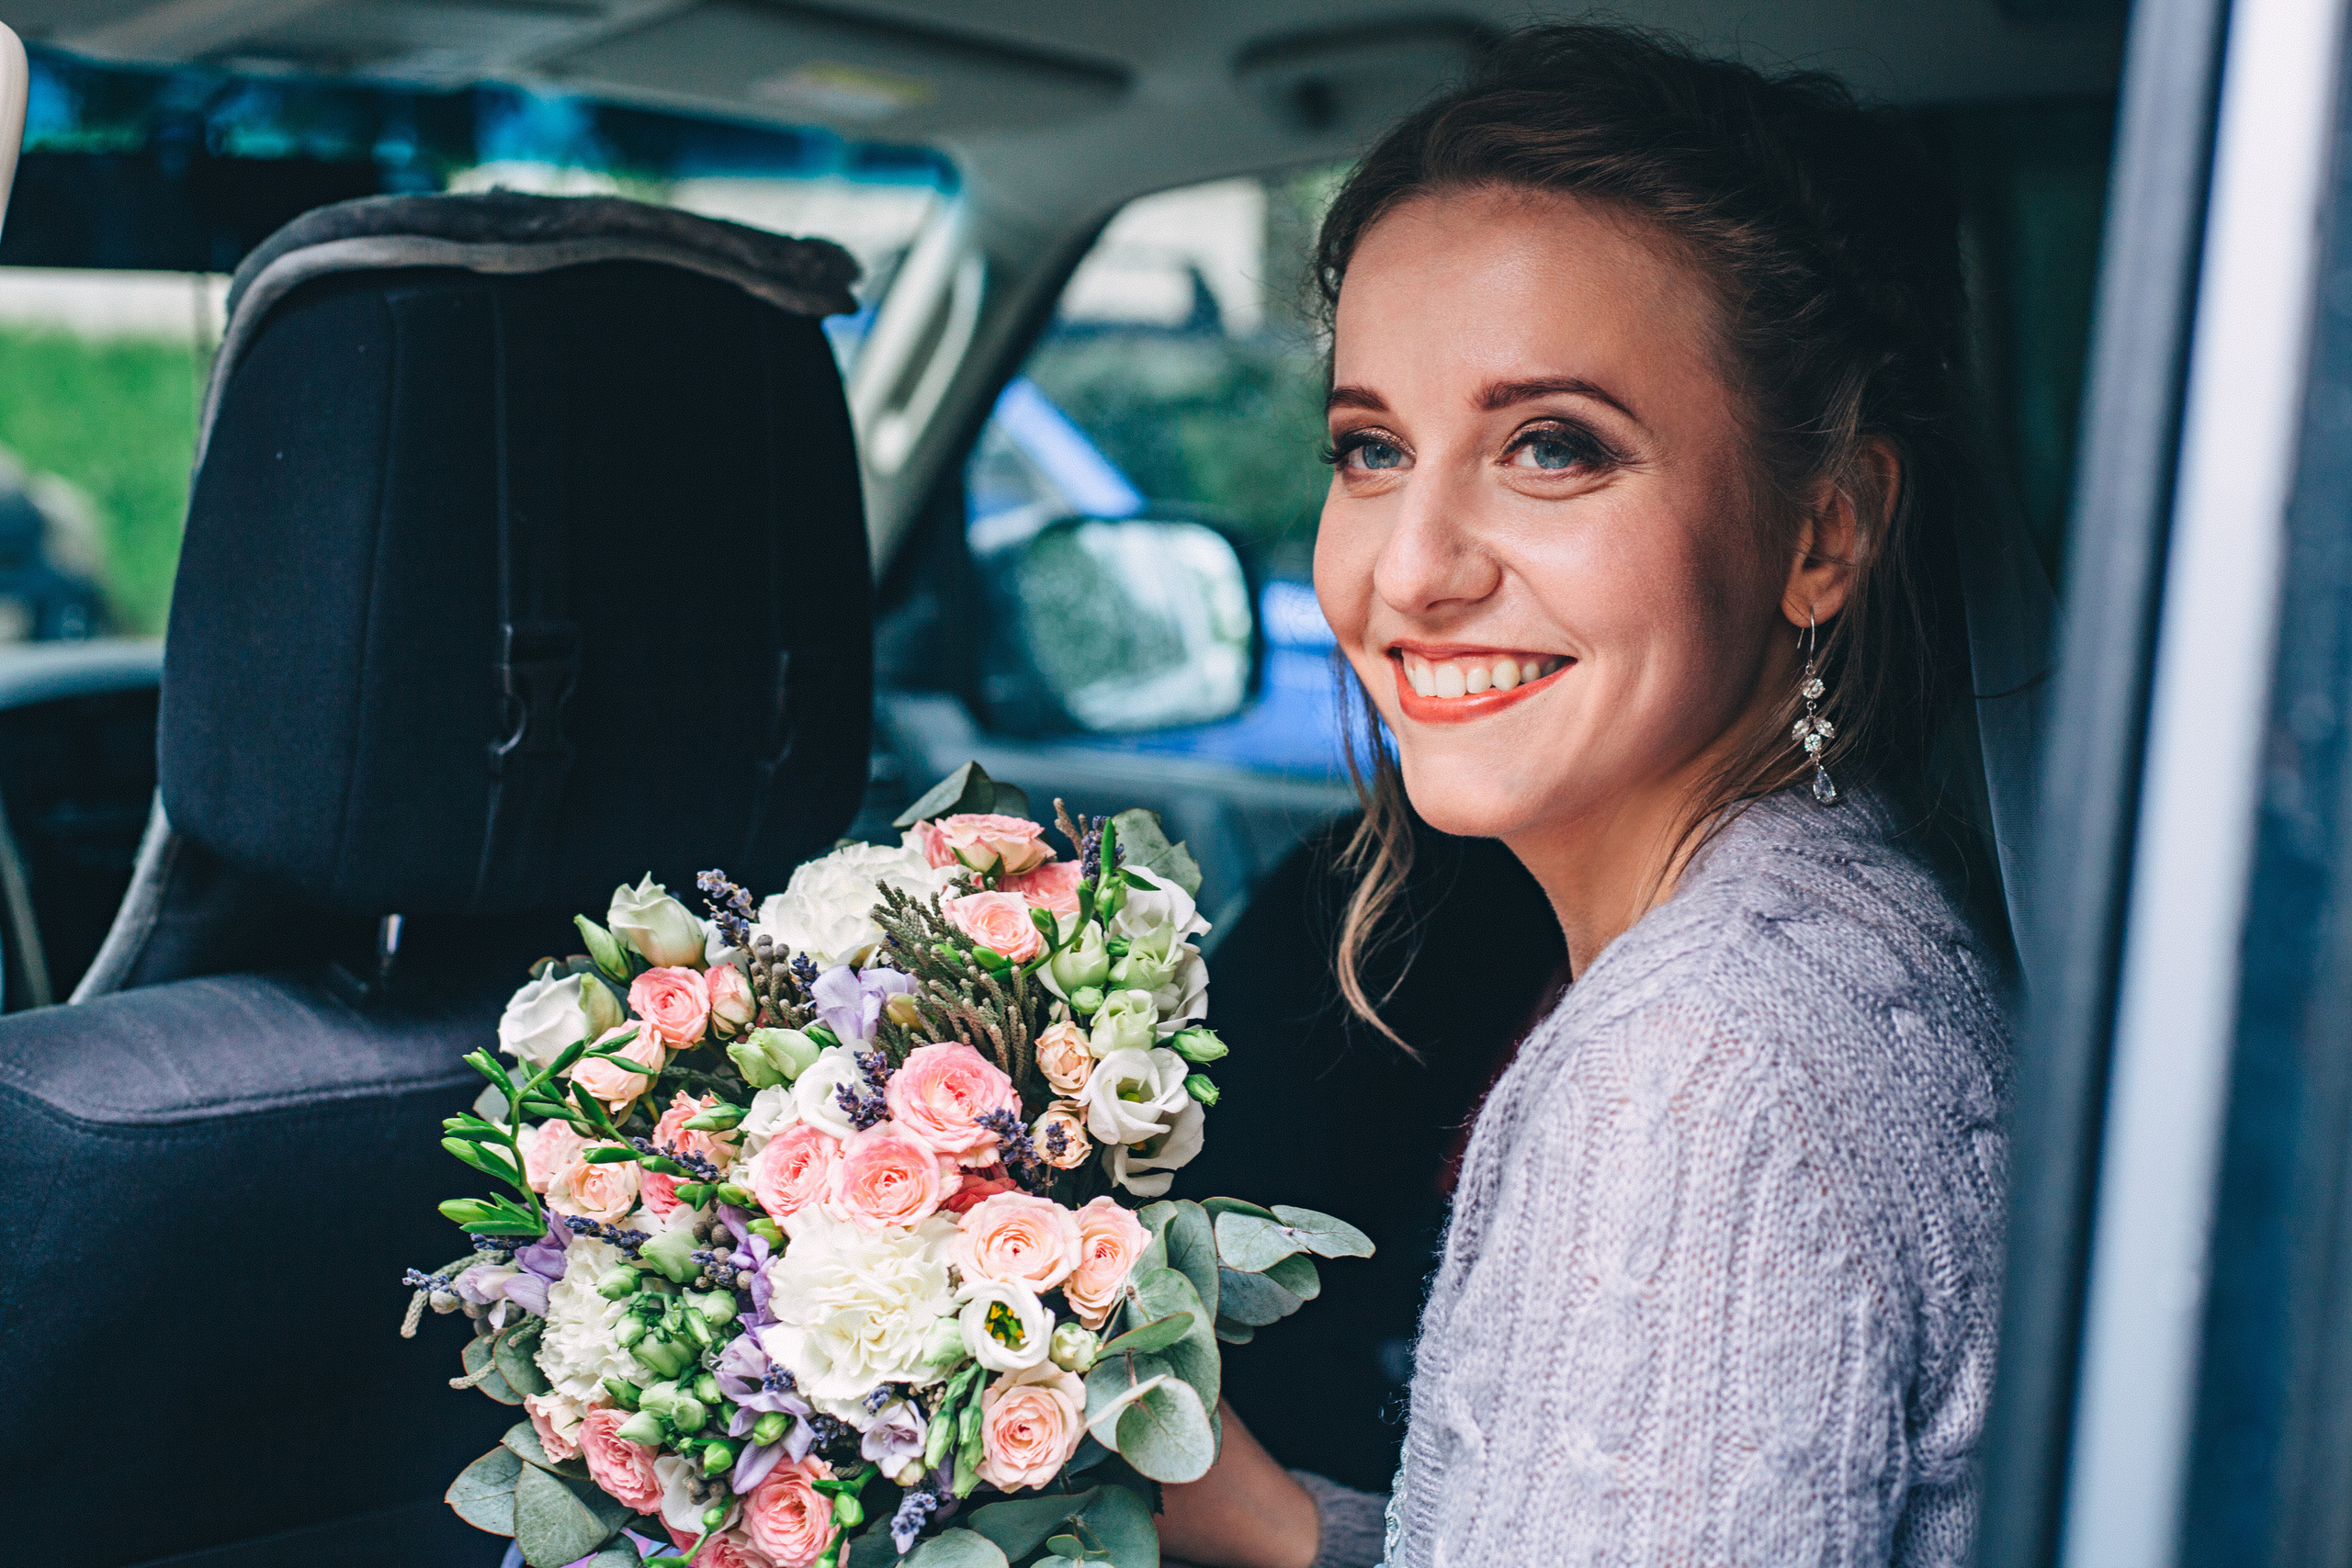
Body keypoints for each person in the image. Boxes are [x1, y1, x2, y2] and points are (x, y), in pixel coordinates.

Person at [1158, 25, 2015, 1568]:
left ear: (1826, 530)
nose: (1411, 571)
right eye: (1371, 449)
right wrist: (1282, 1525)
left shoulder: (1696, 1069)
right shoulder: (1854, 919)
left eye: (1551, 447)